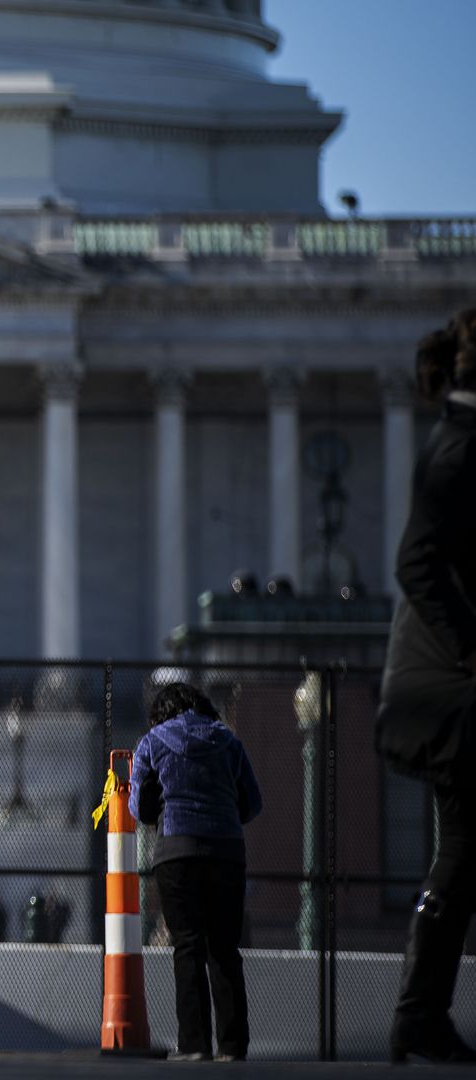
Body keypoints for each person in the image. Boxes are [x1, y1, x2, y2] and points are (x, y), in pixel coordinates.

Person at [379, 309, 476, 1065]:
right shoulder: (458, 447)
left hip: (444, 687)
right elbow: (415, 563)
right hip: (451, 692)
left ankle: (420, 1013)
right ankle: (418, 1013)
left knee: (463, 852)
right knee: (462, 852)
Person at [129, 681, 261, 1063]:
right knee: (224, 949)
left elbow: (140, 807)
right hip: (226, 852)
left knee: (187, 946)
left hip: (177, 851)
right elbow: (253, 802)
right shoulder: (229, 741)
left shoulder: (152, 742)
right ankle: (234, 1047)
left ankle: (194, 1044)